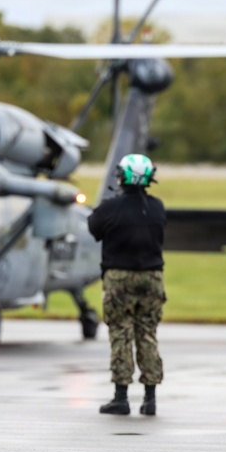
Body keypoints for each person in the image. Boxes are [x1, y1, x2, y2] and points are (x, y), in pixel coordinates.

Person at [87, 154, 167, 416]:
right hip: (152, 277)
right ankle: (150, 398)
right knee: (147, 332)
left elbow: (93, 228)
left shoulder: (110, 207)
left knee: (121, 332)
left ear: (122, 177)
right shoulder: (157, 207)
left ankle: (121, 397)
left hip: (119, 277)